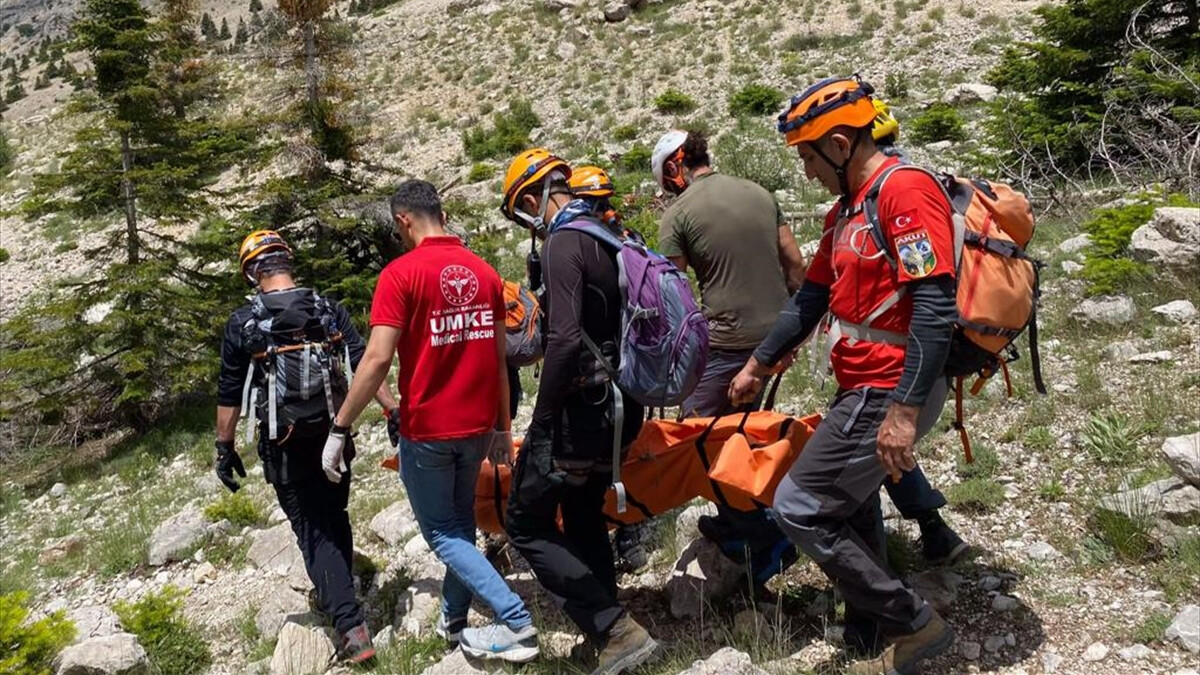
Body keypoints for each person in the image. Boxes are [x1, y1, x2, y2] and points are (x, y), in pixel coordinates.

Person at [729, 76, 958, 674]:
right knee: (851, 504)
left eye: (807, 156)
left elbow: (934, 306)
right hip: (861, 385)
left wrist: (904, 414)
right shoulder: (846, 211)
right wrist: (759, 362)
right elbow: (810, 299)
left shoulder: (904, 193)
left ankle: (913, 622)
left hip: (892, 387)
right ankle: (869, 625)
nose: (804, 171)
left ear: (837, 144)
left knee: (801, 506)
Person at [319, 180, 539, 663]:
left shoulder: (401, 275)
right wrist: (502, 428)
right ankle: (453, 620)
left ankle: (517, 622)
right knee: (460, 525)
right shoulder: (483, 272)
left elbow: (376, 359)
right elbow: (498, 359)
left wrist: (341, 427)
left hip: (431, 429)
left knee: (441, 534)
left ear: (403, 219)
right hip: (479, 426)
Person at [499, 149, 658, 675]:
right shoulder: (607, 233)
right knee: (585, 509)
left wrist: (541, 420)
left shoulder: (564, 241)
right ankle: (608, 633)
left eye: (523, 211)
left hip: (583, 409)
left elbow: (564, 340)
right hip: (623, 401)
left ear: (530, 198)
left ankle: (614, 628)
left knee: (524, 520)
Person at [214, 230, 396, 664]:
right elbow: (362, 360)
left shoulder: (244, 322)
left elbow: (229, 391)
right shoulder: (327, 307)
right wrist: (392, 410)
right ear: (286, 263)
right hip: (335, 430)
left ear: (252, 273)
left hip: (285, 442)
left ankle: (350, 626)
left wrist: (225, 447)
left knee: (312, 530)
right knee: (335, 514)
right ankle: (338, 592)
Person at [647, 129, 807, 588]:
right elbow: (795, 267)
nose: (667, 190)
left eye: (666, 181)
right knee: (740, 427)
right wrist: (789, 335)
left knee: (697, 436)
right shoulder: (759, 193)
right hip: (776, 335)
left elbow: (672, 302)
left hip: (727, 340)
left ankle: (761, 535)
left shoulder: (678, 214)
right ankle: (740, 518)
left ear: (675, 168)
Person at [865, 98, 969, 567]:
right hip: (912, 356)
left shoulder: (896, 193)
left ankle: (877, 590)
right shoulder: (898, 186)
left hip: (903, 359)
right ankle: (934, 531)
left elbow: (929, 297)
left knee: (872, 447)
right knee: (879, 447)